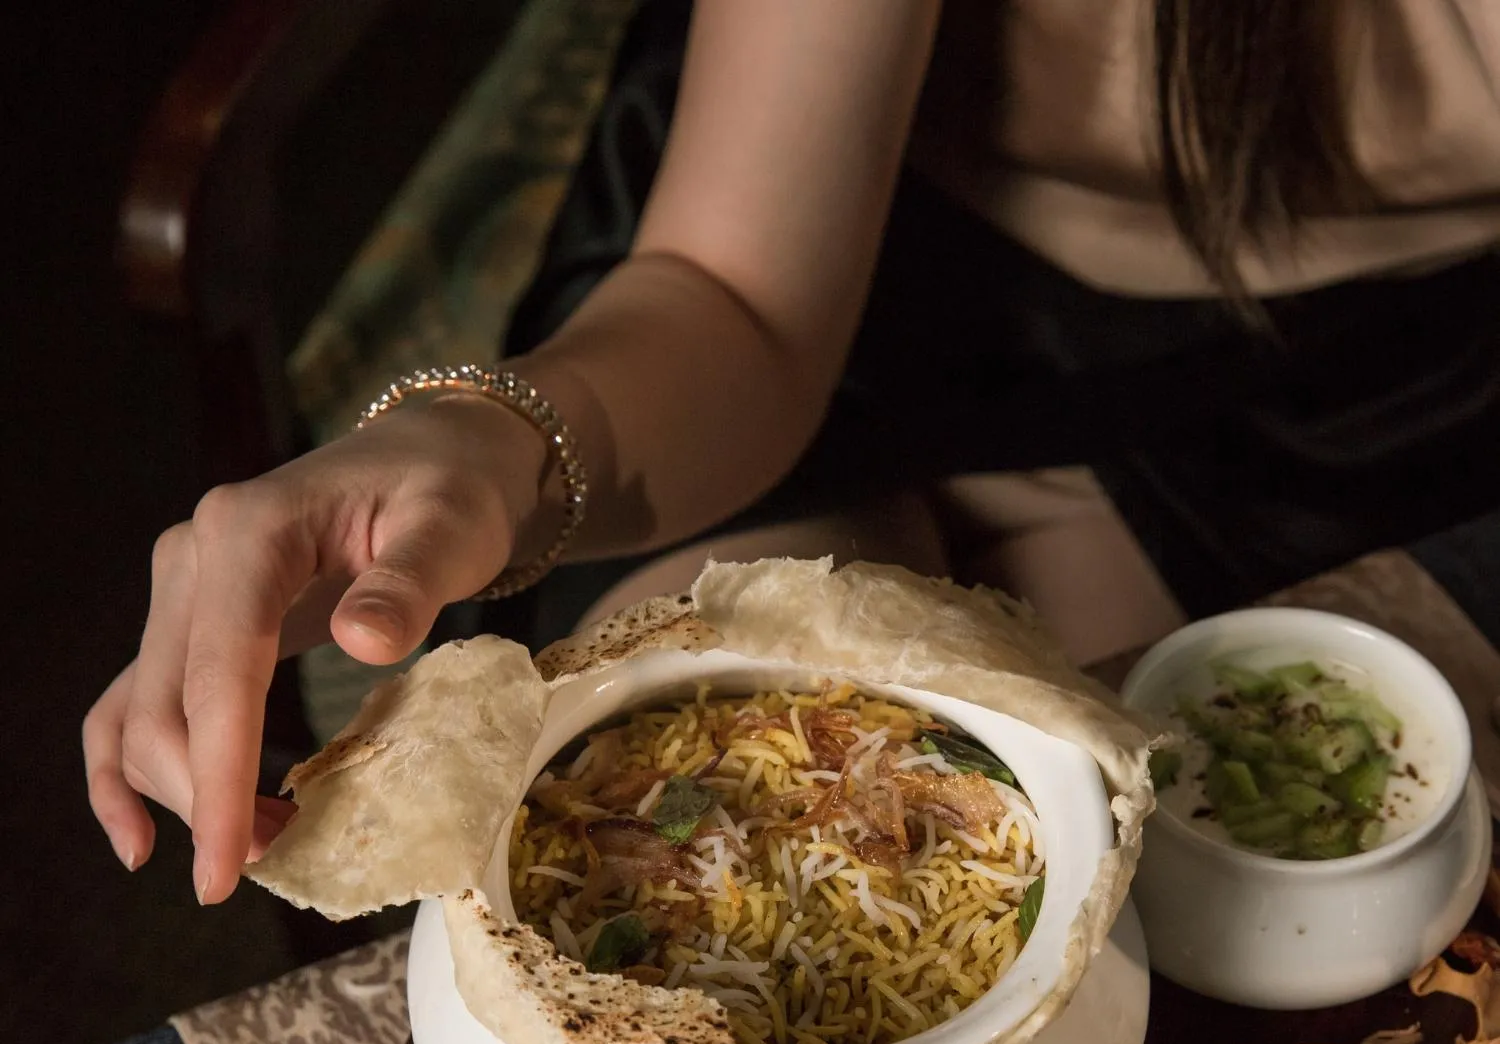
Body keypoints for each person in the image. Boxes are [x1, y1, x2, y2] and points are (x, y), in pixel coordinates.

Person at [85, 0, 1500, 906]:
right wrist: (488, 436)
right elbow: (740, 300)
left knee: (1116, 911)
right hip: (831, 282)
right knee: (677, 872)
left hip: (1358, 399)